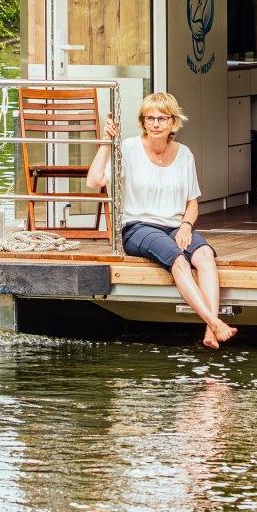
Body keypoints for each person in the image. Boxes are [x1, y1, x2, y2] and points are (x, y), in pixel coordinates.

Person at [87, 92, 237, 349]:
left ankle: (210, 330)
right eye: (150, 118)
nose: (155, 123)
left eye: (162, 118)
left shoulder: (184, 154)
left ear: (173, 122)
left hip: (175, 226)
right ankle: (215, 322)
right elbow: (94, 181)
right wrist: (105, 142)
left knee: (203, 255)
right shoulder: (130, 148)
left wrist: (186, 226)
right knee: (178, 260)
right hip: (138, 227)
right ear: (143, 122)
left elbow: (192, 202)